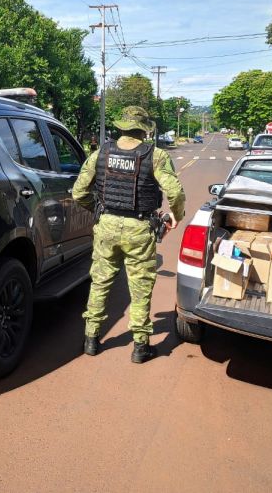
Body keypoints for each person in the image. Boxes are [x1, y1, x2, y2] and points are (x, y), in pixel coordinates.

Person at [72, 106, 185, 363]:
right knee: (140, 287)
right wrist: (177, 214)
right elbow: (175, 192)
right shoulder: (155, 156)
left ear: (121, 126)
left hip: (106, 226)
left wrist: (99, 210)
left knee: (100, 282)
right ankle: (140, 346)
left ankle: (91, 339)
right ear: (144, 129)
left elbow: (78, 192)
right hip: (139, 228)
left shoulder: (100, 153)